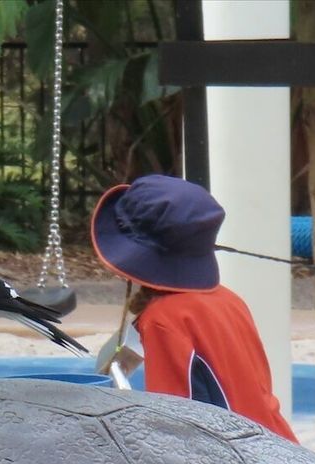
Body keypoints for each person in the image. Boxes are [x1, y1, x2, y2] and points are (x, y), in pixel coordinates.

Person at [91, 174, 298, 442]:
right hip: (278, 446)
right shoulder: (228, 299)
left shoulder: (163, 320)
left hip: (238, 458)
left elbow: (176, 425)